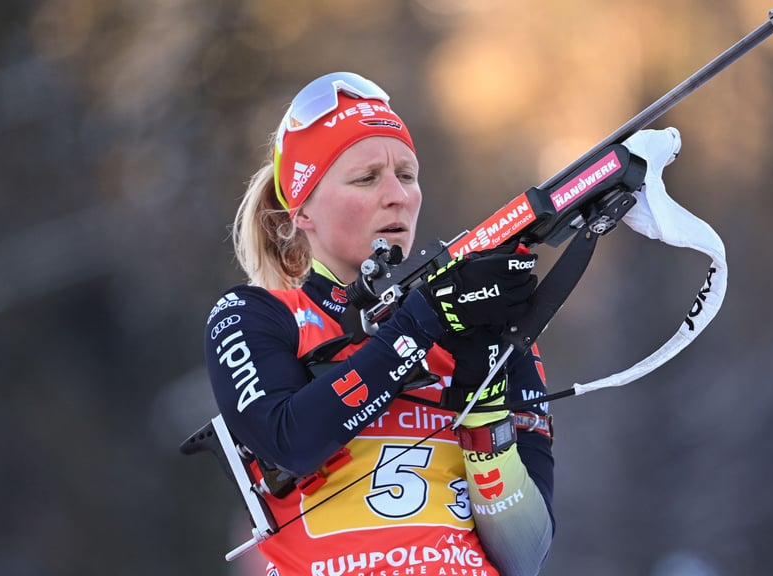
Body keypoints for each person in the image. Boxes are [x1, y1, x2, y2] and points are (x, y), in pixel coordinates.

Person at [203, 71, 555, 576]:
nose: (397, 195)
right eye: (366, 178)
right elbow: (290, 441)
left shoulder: (479, 326)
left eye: (407, 175)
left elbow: (524, 555)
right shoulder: (255, 315)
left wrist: (484, 403)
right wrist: (421, 322)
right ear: (301, 211)